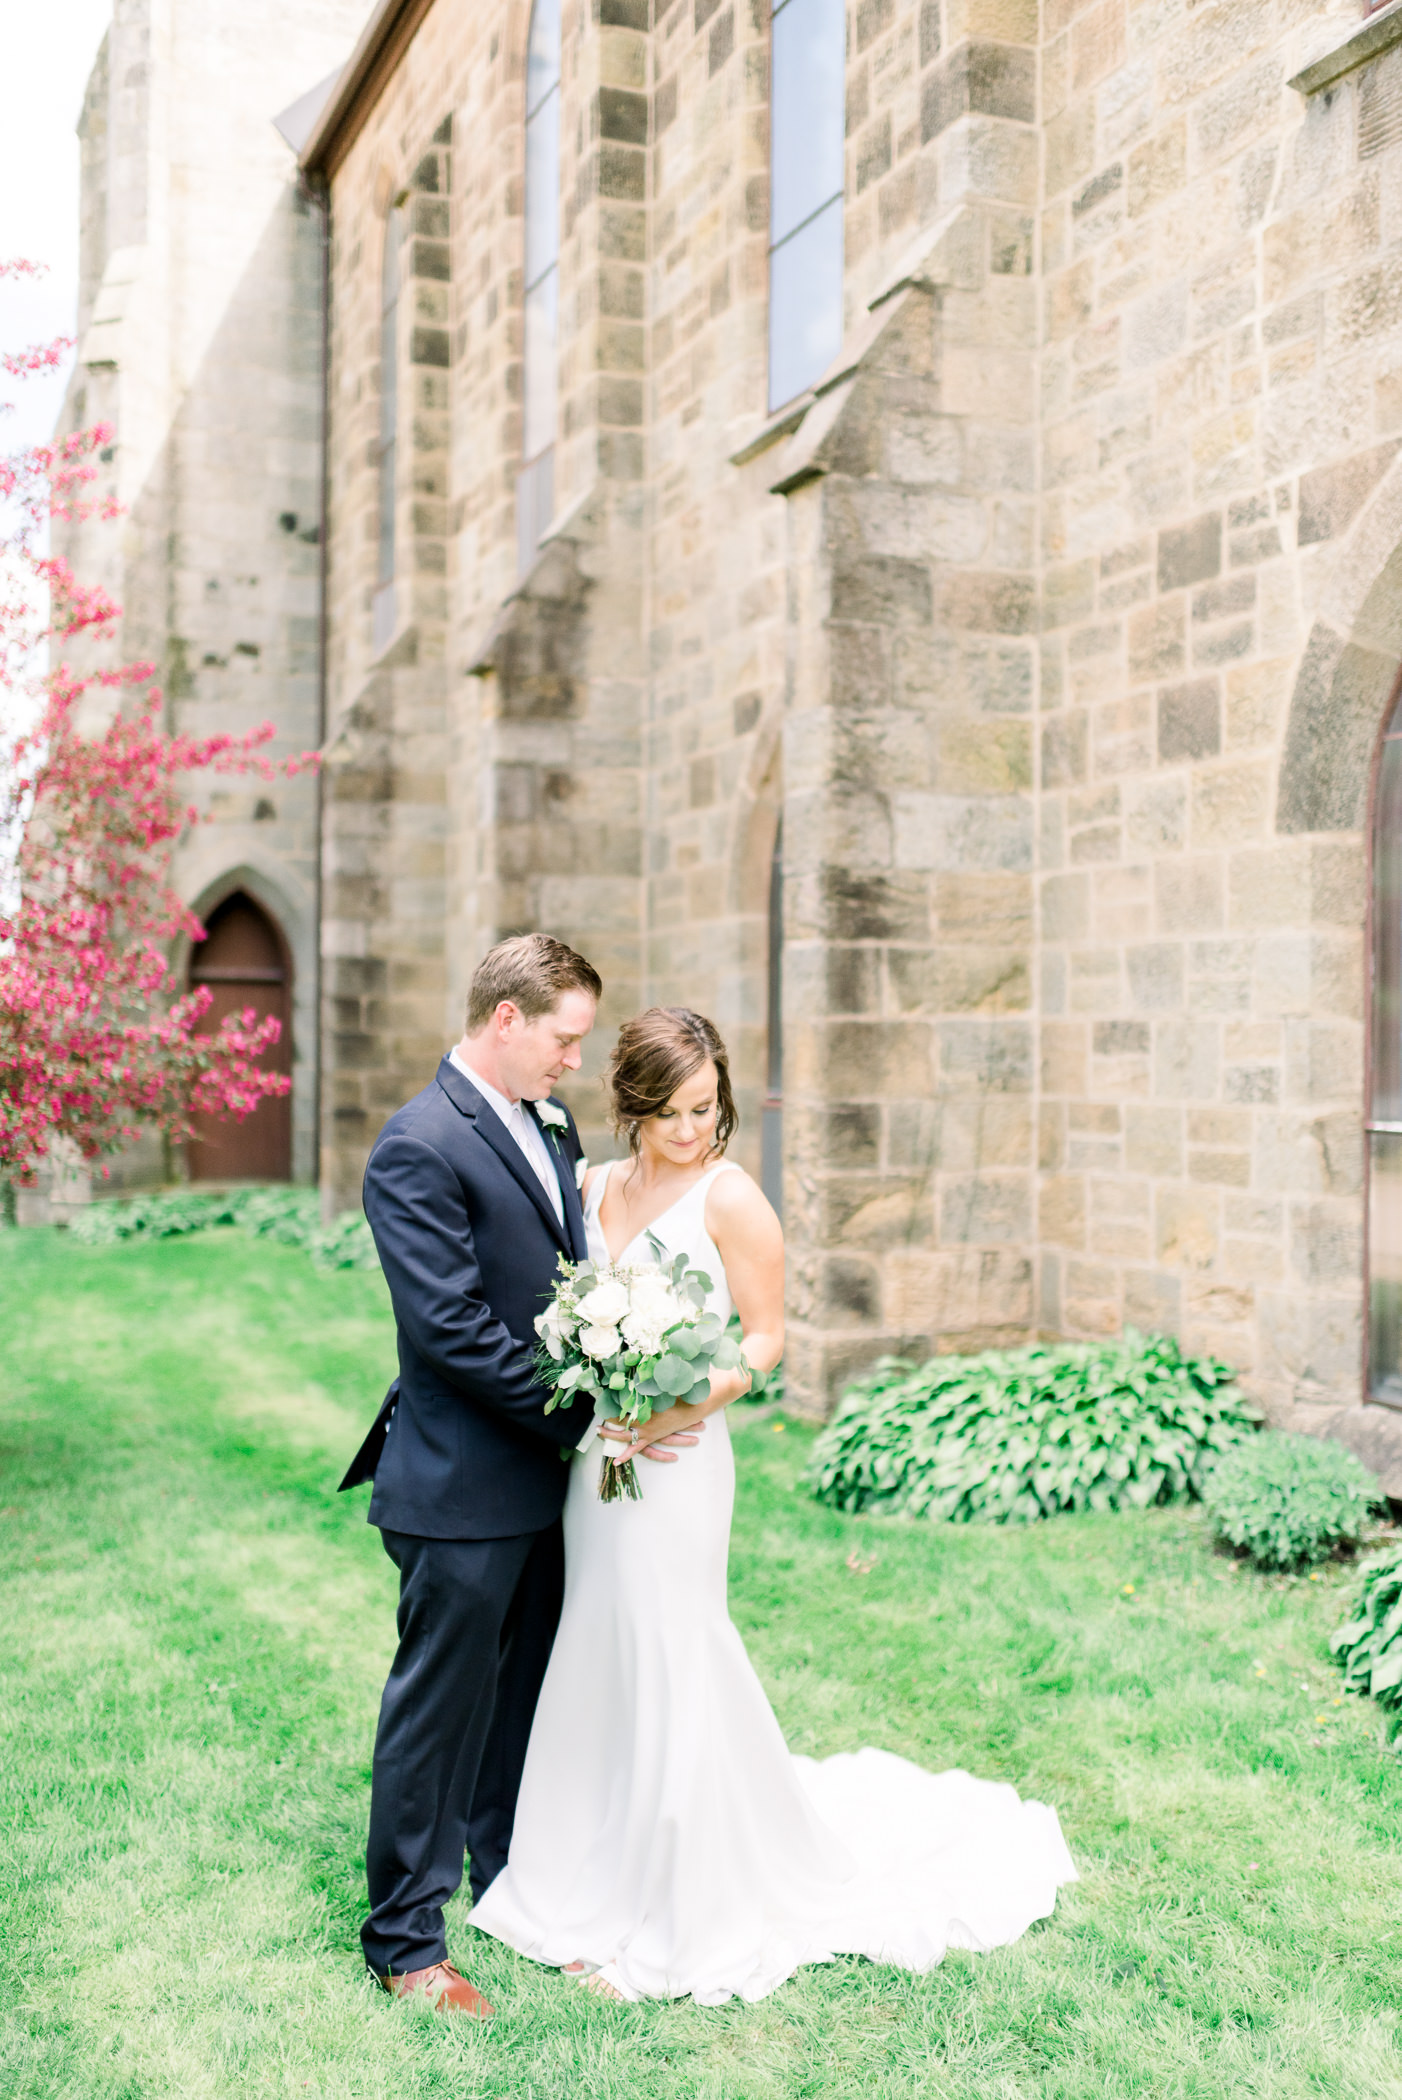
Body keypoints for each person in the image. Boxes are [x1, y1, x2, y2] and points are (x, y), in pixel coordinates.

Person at [470, 1005, 1078, 2004]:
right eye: (668, 1113)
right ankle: (582, 1871)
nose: (689, 1130)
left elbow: (764, 1341)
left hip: (679, 1463)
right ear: (632, 1108)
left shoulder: (732, 1198)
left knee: (675, 1643)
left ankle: (680, 1902)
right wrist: (597, 1380)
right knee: (599, 1641)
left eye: (704, 1109)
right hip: (598, 1460)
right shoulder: (588, 1187)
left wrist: (682, 1398)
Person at [341, 937, 703, 2019]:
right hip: (458, 1483)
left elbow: (560, 1279)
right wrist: (589, 1410)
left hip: (545, 1483)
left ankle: (513, 1895)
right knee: (440, 1712)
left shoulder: (547, 1123)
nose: (573, 1062)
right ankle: (406, 1942)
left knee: (524, 1708)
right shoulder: (417, 1145)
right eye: (563, 1038)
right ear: (505, 1020)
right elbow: (448, 1329)